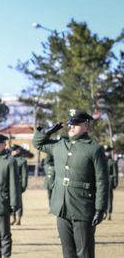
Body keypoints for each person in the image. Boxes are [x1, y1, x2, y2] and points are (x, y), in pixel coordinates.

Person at [33, 109, 109, 258]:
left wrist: (100, 209)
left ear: (86, 125)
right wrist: (48, 131)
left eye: (75, 123)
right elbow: (37, 143)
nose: (71, 127)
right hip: (62, 207)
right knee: (68, 253)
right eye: (69, 123)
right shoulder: (60, 145)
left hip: (82, 207)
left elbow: (102, 181)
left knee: (84, 253)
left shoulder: (94, 149)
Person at [10, 145, 27, 225]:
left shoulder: (22, 160)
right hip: (9, 184)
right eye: (12, 150)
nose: (13, 152)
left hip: (18, 184)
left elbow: (24, 175)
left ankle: (18, 218)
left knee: (18, 202)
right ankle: (12, 218)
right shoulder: (9, 159)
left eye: (15, 150)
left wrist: (23, 186)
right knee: (10, 202)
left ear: (18, 150)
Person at [104, 145, 118, 220]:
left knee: (109, 198)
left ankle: (109, 213)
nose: (107, 153)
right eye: (106, 151)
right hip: (101, 182)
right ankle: (103, 212)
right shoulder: (102, 160)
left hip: (109, 182)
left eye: (108, 152)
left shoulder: (112, 162)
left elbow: (115, 174)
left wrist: (115, 183)